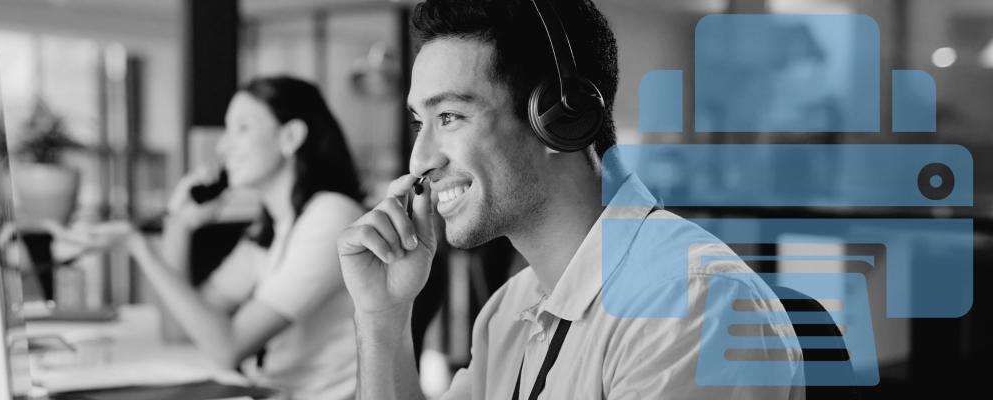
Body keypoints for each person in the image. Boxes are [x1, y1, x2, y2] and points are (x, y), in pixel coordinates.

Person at [335, 0, 805, 399]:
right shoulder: (508, 311)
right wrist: (383, 318)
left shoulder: (688, 305)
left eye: (451, 116)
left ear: (560, 118)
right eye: (421, 122)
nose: (419, 160)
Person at [52, 76, 366, 400]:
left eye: (242, 128)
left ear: (291, 136)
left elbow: (227, 347)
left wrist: (139, 247)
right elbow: (180, 330)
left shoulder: (331, 218)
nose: (223, 146)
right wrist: (179, 225)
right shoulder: (273, 226)